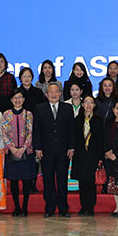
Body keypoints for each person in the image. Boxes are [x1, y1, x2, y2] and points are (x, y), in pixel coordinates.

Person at [32, 82, 75, 218]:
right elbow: (36, 130)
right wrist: (37, 148)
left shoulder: (68, 108)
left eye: (56, 91)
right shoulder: (40, 108)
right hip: (46, 151)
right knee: (48, 180)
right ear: (46, 94)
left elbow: (71, 130)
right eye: (51, 92)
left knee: (62, 180)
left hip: (63, 151)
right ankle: (49, 208)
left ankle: (63, 208)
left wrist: (71, 146)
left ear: (60, 94)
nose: (54, 94)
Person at [2, 89, 37, 217]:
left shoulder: (29, 114)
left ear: (23, 99)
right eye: (15, 97)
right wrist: (12, 148)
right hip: (11, 152)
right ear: (11, 100)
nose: (17, 100)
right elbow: (4, 133)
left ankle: (25, 207)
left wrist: (23, 148)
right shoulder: (6, 114)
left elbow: (31, 133)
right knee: (14, 181)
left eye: (20, 97)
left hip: (26, 151)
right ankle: (17, 207)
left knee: (27, 181)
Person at [71, 95, 104, 216]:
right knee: (82, 182)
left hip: (93, 155)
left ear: (94, 105)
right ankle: (83, 206)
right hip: (80, 155)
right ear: (82, 105)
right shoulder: (77, 120)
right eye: (86, 102)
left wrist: (100, 157)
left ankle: (90, 207)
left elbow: (101, 139)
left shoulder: (98, 120)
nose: (89, 105)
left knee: (91, 182)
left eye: (91, 102)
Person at [17, 66, 46, 193]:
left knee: (34, 157)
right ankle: (24, 183)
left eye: (29, 76)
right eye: (24, 76)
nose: (26, 79)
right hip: (19, 129)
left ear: (32, 78)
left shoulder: (38, 92)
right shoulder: (17, 92)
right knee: (23, 156)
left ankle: (33, 183)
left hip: (36, 128)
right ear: (20, 78)